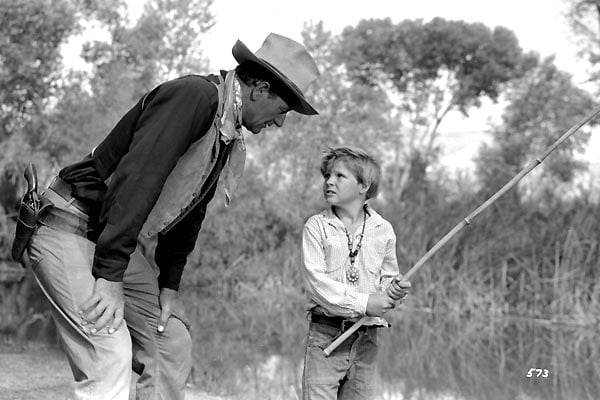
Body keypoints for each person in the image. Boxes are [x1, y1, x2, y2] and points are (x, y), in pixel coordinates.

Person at [24, 33, 320, 400]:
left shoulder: (225, 132)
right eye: (282, 113)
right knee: (109, 352)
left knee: (171, 342)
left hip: (106, 235)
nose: (279, 124)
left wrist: (169, 287)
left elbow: (188, 213)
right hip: (69, 226)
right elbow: (137, 181)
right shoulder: (193, 98)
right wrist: (110, 278)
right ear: (260, 89)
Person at [300, 146, 411, 399]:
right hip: (325, 337)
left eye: (340, 176)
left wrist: (395, 292)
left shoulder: (383, 229)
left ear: (364, 186)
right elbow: (317, 284)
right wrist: (365, 302)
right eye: (327, 176)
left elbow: (386, 283)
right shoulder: (317, 227)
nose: (329, 182)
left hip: (367, 340)